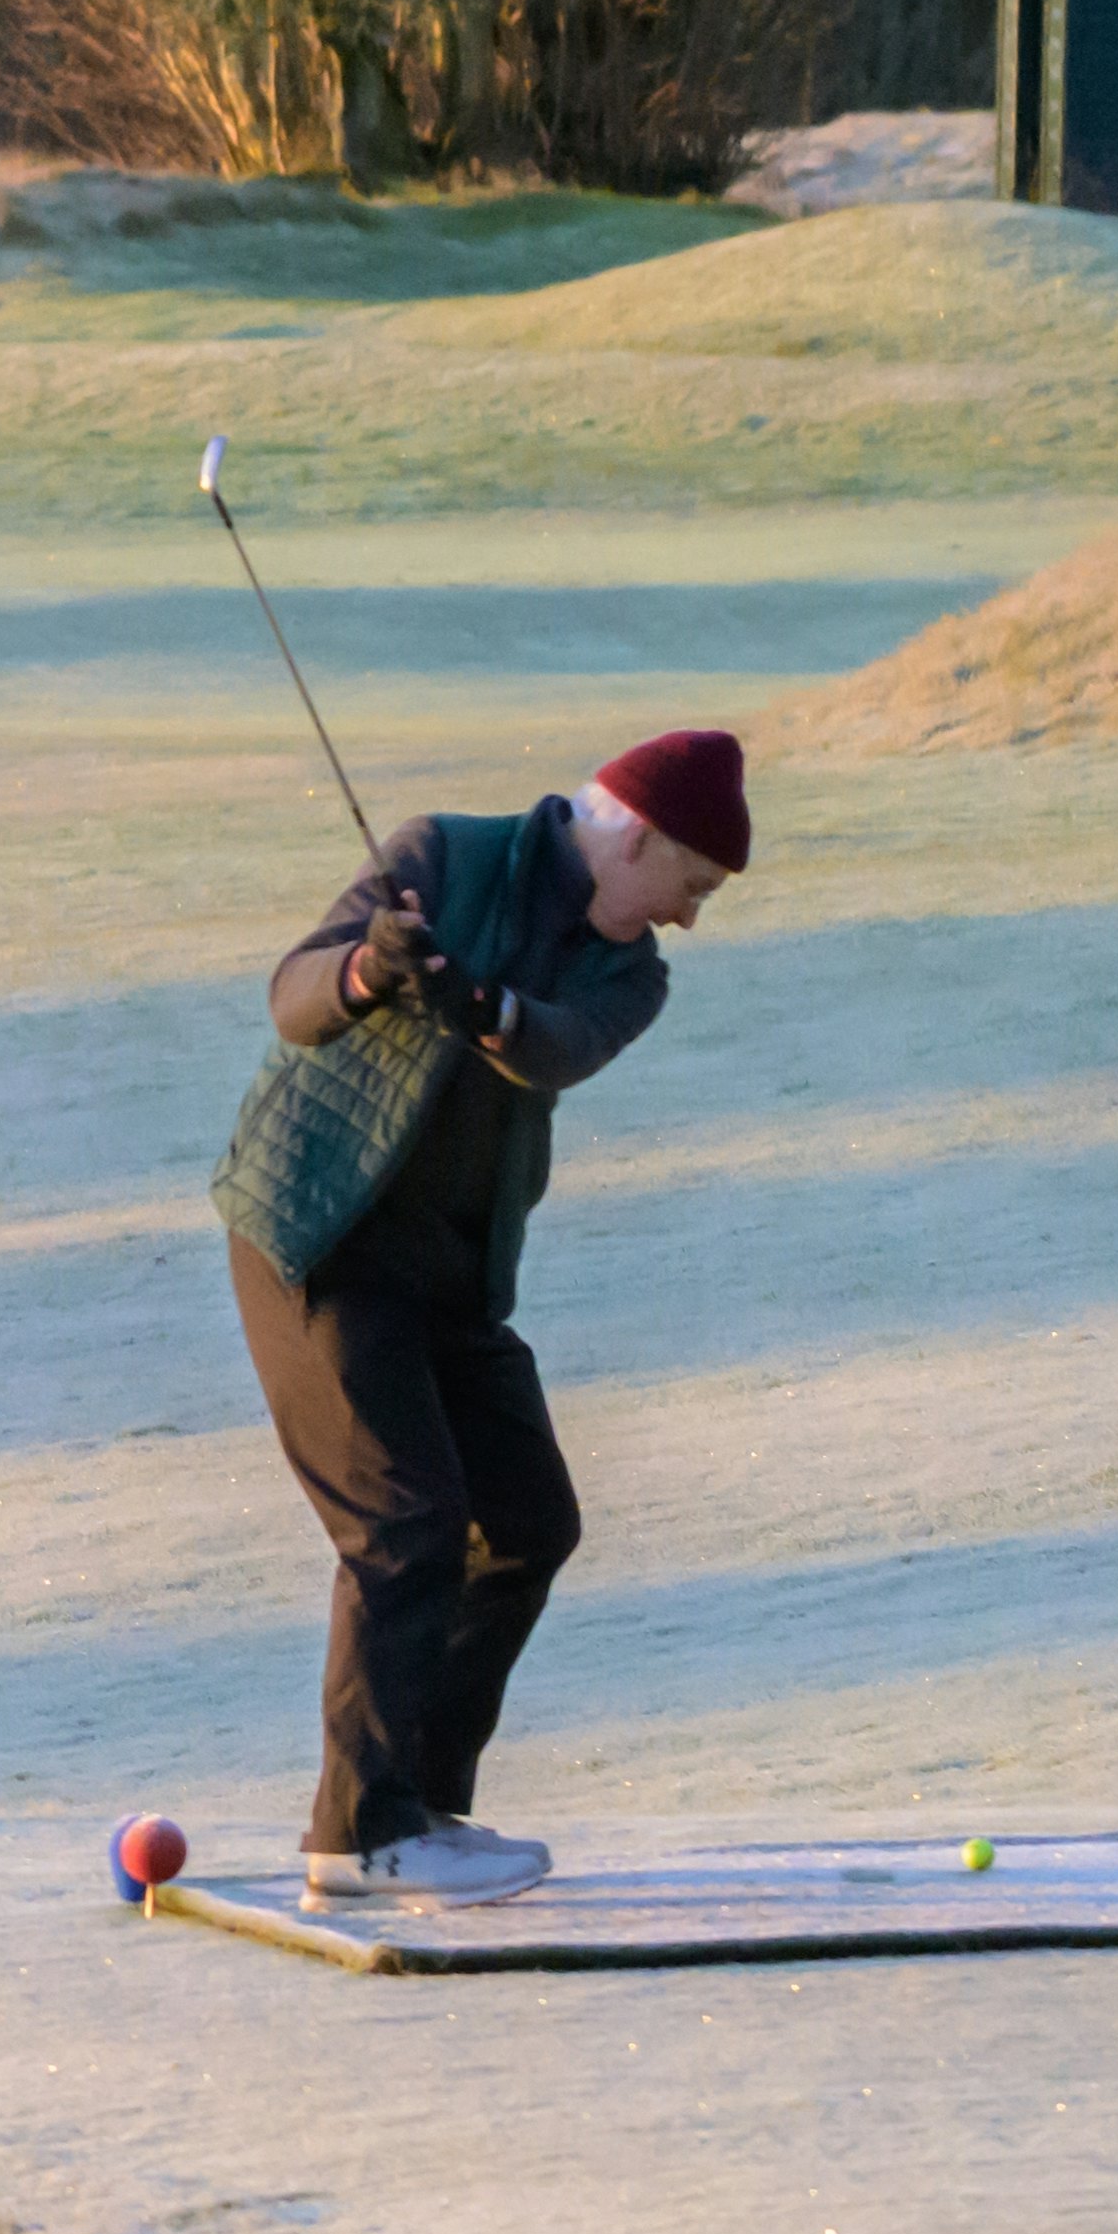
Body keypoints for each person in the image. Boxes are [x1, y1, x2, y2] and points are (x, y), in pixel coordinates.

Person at [211, 723, 750, 1905]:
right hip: (317, 1236)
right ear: (636, 840)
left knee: (524, 1519)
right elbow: (293, 996)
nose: (687, 916)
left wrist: (479, 1000)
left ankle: (417, 1806)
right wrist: (370, 969)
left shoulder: (631, 974)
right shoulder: (441, 855)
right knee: (402, 1523)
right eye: (692, 884)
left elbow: (553, 1048)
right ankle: (357, 1838)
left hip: (445, 1277)